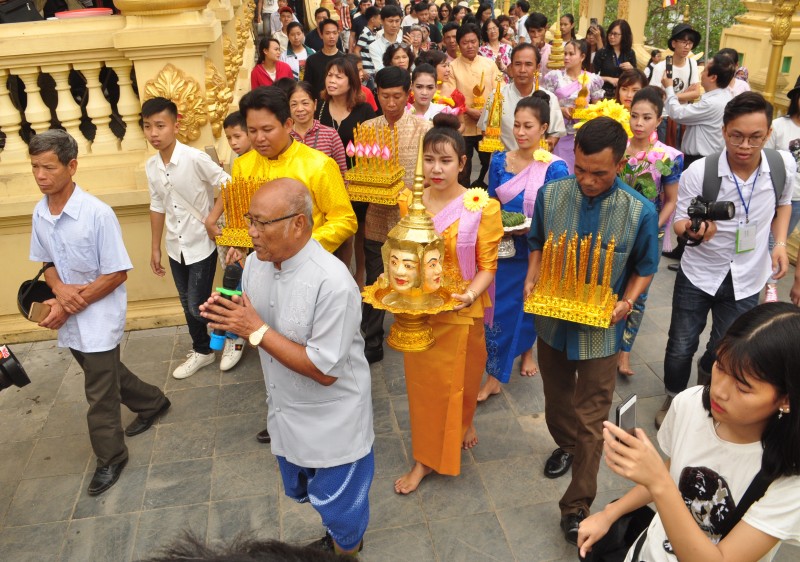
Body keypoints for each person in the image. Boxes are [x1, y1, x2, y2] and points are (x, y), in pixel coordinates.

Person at [199, 179, 374, 556]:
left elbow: (324, 371)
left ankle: (347, 550)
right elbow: (251, 319)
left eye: (262, 223)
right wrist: (228, 319)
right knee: (309, 495)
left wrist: (254, 329)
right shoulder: (257, 267)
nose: (250, 232)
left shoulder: (333, 284)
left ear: (298, 224)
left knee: (343, 515)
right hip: (285, 412)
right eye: (250, 220)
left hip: (334, 426)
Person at [523, 116, 659, 545]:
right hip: (553, 322)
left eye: (599, 173)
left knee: (592, 415)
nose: (587, 180)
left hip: (600, 328)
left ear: (619, 164)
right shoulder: (552, 194)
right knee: (556, 400)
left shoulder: (639, 210)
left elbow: (645, 266)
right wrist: (533, 274)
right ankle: (567, 445)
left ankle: (577, 503)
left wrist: (628, 300)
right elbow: (538, 243)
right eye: (580, 168)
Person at [579, 303, 800, 562]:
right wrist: (610, 513)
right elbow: (675, 469)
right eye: (720, 367)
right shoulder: (692, 403)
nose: (719, 391)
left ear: (786, 399)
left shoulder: (790, 480)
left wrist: (658, 481)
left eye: (743, 387)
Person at [28, 129, 170, 497]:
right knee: (103, 373)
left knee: (99, 394)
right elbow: (47, 261)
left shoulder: (97, 214)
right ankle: (153, 401)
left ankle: (111, 457)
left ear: (71, 166)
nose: (41, 175)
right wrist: (59, 290)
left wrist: (75, 301)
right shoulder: (40, 213)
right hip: (69, 313)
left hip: (99, 314)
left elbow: (117, 272)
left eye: (48, 167)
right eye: (34, 167)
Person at [656, 92, 794, 427]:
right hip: (700, 272)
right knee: (680, 343)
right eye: (736, 136)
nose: (745, 145)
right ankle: (674, 398)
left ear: (767, 134)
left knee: (727, 347)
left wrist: (778, 243)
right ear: (723, 131)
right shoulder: (700, 172)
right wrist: (693, 229)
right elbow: (678, 220)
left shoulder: (781, 166)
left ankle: (707, 388)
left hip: (748, 276)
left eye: (755, 137)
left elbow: (785, 204)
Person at [394, 113, 503, 494]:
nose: (436, 168)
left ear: (463, 163)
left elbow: (488, 267)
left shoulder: (480, 206)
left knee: (464, 379)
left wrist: (470, 295)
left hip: (461, 309)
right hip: (419, 312)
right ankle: (425, 459)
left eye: (445, 161)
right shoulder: (409, 201)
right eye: (429, 159)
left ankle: (464, 421)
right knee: (425, 387)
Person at [479, 93, 569, 401]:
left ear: (544, 128)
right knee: (501, 311)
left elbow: (559, 213)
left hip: (536, 251)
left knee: (527, 309)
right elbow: (491, 202)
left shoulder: (555, 168)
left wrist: (534, 228)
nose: (520, 132)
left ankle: (514, 361)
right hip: (504, 249)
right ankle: (497, 369)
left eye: (528, 126)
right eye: (516, 125)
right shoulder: (501, 160)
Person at [143, 97, 230, 379]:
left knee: (196, 304)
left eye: (160, 125)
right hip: (174, 246)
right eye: (147, 127)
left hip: (200, 244)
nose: (154, 133)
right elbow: (157, 206)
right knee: (186, 303)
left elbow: (227, 184)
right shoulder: (151, 166)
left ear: (175, 125)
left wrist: (211, 218)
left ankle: (228, 327)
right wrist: (155, 247)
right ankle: (202, 351)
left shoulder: (194, 158)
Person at [361, 66, 433, 364]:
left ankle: (417, 327)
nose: (390, 103)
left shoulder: (423, 129)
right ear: (376, 94)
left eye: (397, 97)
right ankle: (372, 339)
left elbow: (432, 173)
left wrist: (408, 193)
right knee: (376, 277)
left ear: (408, 95)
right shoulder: (367, 128)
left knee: (416, 276)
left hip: (411, 218)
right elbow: (362, 171)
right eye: (384, 96)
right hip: (376, 217)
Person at [233, 86, 357, 255]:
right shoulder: (243, 165)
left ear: (288, 125)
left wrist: (304, 247)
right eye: (252, 131)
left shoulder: (318, 165)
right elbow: (242, 218)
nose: (259, 138)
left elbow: (345, 219)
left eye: (267, 130)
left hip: (307, 261)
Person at [617, 87, 683, 377]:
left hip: (648, 234)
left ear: (659, 120)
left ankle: (624, 352)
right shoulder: (618, 148)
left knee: (638, 294)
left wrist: (651, 228)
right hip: (615, 231)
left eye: (647, 117)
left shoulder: (667, 157)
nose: (638, 123)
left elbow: (671, 201)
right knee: (611, 285)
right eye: (634, 116)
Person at [316, 57, 375, 285]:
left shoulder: (364, 110)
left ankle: (359, 274)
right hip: (325, 180)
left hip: (355, 179)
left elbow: (371, 146)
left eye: (339, 77)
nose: (332, 81)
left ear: (351, 82)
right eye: (330, 76)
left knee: (357, 230)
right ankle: (336, 277)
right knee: (334, 231)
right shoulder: (319, 107)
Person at [477, 42, 566, 151]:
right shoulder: (497, 96)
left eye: (528, 64)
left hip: (535, 163)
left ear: (537, 67)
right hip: (504, 163)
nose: (522, 70)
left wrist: (544, 147)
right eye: (518, 64)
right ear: (511, 67)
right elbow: (485, 130)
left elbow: (555, 133)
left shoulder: (549, 98)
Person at [446, 22, 499, 187]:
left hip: (487, 127)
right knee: (463, 170)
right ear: (459, 44)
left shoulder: (489, 64)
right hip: (464, 128)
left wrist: (488, 112)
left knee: (491, 166)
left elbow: (500, 90)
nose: (470, 46)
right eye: (465, 42)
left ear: (479, 42)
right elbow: (450, 95)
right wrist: (468, 111)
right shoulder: (452, 67)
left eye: (473, 41)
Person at [661, 51, 735, 170]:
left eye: (705, 70)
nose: (701, 74)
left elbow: (678, 114)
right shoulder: (726, 96)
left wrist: (669, 88)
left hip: (699, 160)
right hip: (707, 158)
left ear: (713, 77)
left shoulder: (712, 103)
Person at [542, 39, 605, 173]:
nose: (566, 57)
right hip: (558, 133)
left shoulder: (592, 80)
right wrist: (560, 109)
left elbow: (598, 109)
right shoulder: (554, 77)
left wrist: (585, 113)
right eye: (565, 53)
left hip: (582, 135)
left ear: (582, 56)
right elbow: (544, 104)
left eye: (571, 54)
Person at [649, 23, 701, 148]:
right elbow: (654, 97)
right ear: (674, 44)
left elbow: (696, 93)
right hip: (665, 118)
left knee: (681, 154)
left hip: (684, 116)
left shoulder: (692, 64)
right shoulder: (661, 67)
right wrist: (685, 95)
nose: (687, 46)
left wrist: (671, 95)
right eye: (683, 42)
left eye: (690, 43)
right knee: (664, 154)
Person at [765, 75, 800, 243]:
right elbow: (764, 159)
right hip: (774, 196)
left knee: (779, 242)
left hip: (798, 200)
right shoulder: (778, 126)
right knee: (766, 243)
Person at [288, 81, 347, 175]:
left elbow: (343, 174)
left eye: (305, 103)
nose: (300, 109)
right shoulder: (285, 136)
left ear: (315, 104)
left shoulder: (331, 135)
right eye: (294, 104)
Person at [592, 19, 636, 100]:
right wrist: (608, 79)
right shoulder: (602, 53)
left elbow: (636, 78)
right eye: (610, 33)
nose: (612, 37)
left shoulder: (630, 53)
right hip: (604, 95)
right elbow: (591, 76)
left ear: (624, 35)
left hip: (623, 96)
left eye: (615, 34)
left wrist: (632, 69)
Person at [304, 18, 344, 99]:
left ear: (338, 34)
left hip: (340, 102)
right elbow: (307, 86)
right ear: (321, 35)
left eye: (334, 33)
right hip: (319, 104)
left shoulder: (345, 59)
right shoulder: (312, 60)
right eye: (327, 33)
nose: (331, 36)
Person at [369, 4, 403, 73]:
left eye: (397, 21)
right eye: (390, 21)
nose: (394, 25)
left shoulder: (405, 43)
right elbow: (380, 70)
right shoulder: (374, 46)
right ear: (382, 21)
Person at [355, 6, 381, 75]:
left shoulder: (374, 32)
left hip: (373, 69)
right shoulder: (365, 33)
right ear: (372, 19)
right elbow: (356, 50)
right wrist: (362, 69)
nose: (380, 22)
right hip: (367, 71)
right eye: (379, 19)